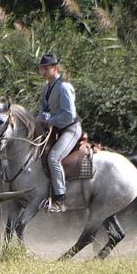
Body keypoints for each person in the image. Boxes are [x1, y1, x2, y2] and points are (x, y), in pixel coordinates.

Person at [37, 53, 82, 212]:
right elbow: (44, 109)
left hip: (70, 129)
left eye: (46, 68)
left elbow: (69, 114)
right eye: (41, 68)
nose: (42, 71)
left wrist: (49, 121)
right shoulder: (46, 87)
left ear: (55, 68)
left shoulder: (64, 86)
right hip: (57, 129)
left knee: (54, 158)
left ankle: (61, 198)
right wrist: (39, 118)